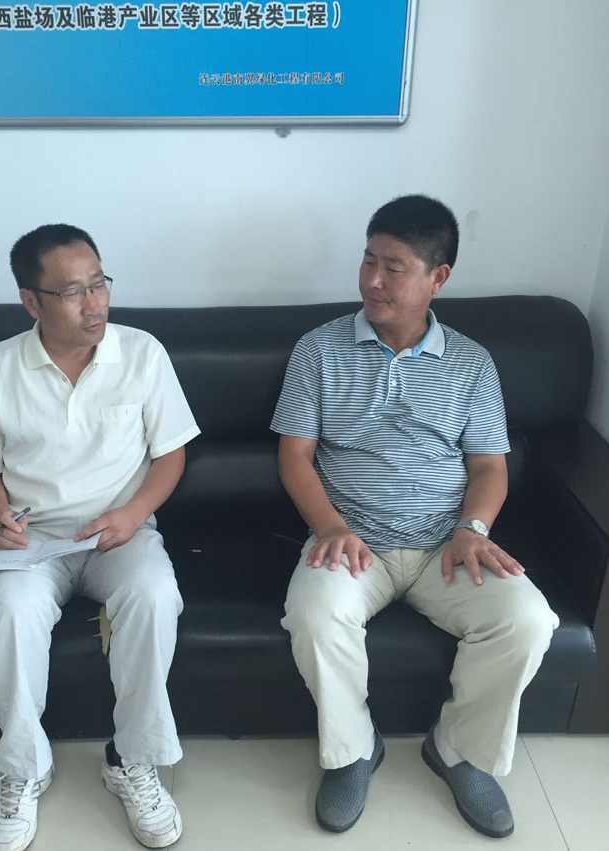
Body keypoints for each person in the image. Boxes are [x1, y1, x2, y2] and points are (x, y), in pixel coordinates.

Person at [271, 195, 558, 839]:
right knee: (315, 613)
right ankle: (353, 751)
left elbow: (490, 467)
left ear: (438, 277)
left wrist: (472, 530)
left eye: (393, 267)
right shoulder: (319, 350)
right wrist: (331, 527)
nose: (373, 280)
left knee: (527, 619)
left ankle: (457, 750)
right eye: (368, 261)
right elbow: (295, 457)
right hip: (352, 542)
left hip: (444, 545)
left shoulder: (471, 362)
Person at [0, 224, 199, 851]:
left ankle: (133, 760)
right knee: (8, 611)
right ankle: (23, 768)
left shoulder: (142, 353)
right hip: (34, 539)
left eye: (99, 284)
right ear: (31, 301)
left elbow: (170, 454)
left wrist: (134, 513)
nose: (94, 304)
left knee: (154, 595)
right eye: (72, 292)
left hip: (121, 533)